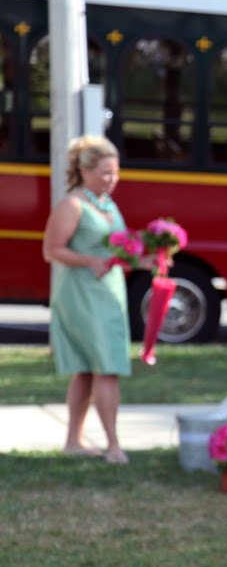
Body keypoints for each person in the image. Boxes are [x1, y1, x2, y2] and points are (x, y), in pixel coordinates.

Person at [42, 135, 134, 465]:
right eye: (105, 172)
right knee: (106, 367)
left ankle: (73, 441)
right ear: (84, 170)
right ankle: (113, 445)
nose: (112, 179)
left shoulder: (108, 205)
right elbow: (51, 250)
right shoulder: (72, 205)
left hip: (109, 292)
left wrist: (141, 258)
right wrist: (89, 261)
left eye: (115, 172)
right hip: (81, 294)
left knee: (85, 370)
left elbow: (117, 250)